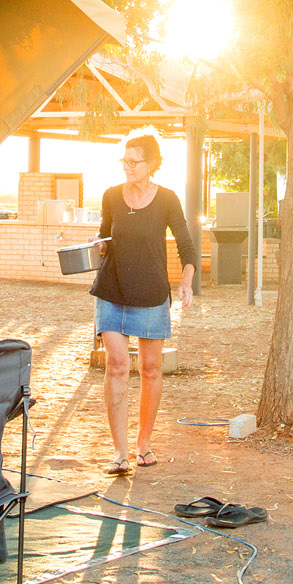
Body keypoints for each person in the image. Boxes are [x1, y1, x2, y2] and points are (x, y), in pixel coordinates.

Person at [91, 131, 197, 476]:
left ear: (151, 165)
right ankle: (119, 453)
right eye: (124, 160)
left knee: (150, 370)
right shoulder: (111, 196)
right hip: (112, 290)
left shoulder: (167, 199)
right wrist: (94, 247)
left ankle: (143, 445)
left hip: (152, 293)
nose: (127, 167)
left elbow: (185, 243)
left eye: (133, 161)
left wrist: (186, 280)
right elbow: (105, 236)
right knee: (117, 365)